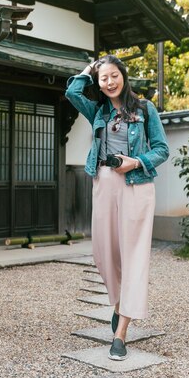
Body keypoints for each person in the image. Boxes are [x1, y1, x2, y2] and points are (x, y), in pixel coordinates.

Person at [65, 54, 169, 361]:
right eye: (103, 78)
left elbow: (162, 149)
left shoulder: (145, 109)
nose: (109, 82)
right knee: (104, 252)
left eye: (114, 75)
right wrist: (90, 67)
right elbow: (71, 92)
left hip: (136, 184)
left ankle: (121, 333)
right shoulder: (97, 110)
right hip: (104, 183)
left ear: (124, 76)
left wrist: (136, 161)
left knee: (134, 254)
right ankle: (119, 302)